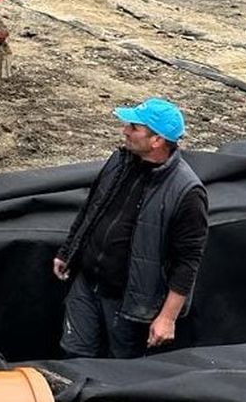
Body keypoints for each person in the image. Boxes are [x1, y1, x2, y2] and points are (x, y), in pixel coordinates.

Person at [52, 98, 208, 359]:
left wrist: (167, 318)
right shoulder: (119, 162)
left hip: (129, 303)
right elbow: (92, 208)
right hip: (87, 284)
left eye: (134, 127)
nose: (125, 130)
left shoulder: (186, 192)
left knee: (121, 367)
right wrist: (68, 251)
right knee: (74, 356)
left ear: (156, 140)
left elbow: (188, 262)